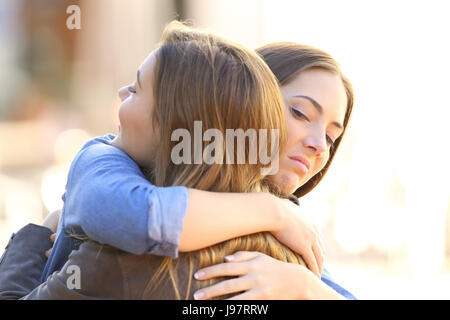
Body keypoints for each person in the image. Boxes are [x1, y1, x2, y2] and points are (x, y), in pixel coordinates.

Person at [0, 22, 356, 300]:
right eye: (299, 112)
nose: (318, 147)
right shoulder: (281, 239)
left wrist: (37, 235)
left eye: (330, 137)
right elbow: (143, 214)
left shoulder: (286, 253)